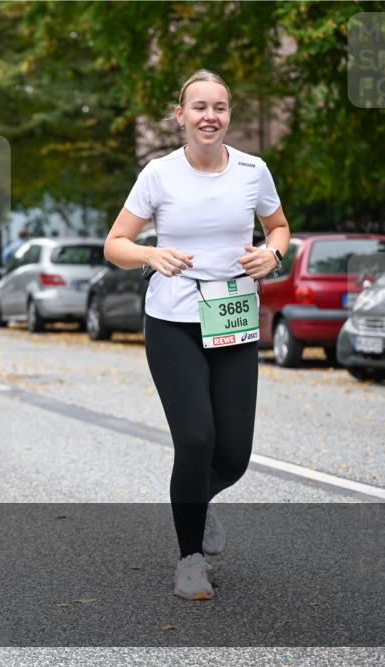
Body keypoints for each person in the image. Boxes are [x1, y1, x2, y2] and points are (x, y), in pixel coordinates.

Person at [104, 70, 290, 601]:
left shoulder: (254, 171)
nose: (211, 115)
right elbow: (115, 243)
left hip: (232, 318)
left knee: (233, 455)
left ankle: (197, 503)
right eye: (200, 107)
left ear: (229, 115)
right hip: (173, 321)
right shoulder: (159, 174)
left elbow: (278, 227)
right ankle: (189, 560)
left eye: (221, 107)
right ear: (180, 115)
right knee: (195, 441)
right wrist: (150, 254)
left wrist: (272, 253)